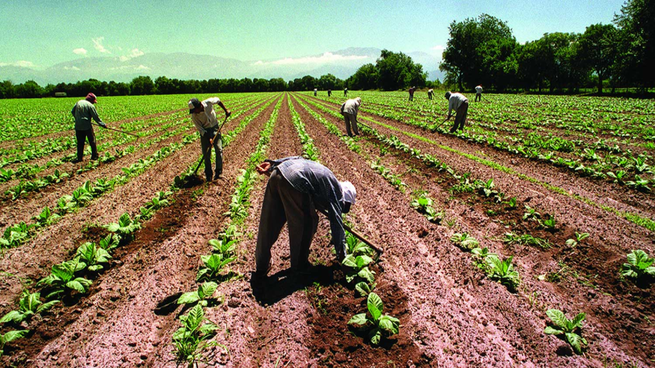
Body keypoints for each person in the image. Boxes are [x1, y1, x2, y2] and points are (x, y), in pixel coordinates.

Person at [253, 156, 356, 277]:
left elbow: (297, 158)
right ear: (345, 199)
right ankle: (300, 265)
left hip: (277, 174)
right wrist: (342, 256)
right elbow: (337, 224)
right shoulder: (336, 191)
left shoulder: (325, 177)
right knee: (308, 222)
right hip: (295, 181)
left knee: (269, 222)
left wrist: (273, 165)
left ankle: (262, 265)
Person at [188, 97, 231, 181]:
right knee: (206, 154)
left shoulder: (208, 103)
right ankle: (208, 175)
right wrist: (209, 138)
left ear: (199, 105)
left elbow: (218, 100)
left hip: (215, 128)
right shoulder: (194, 116)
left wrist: (226, 110)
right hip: (205, 132)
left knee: (219, 149)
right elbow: (201, 129)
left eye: (195, 110)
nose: (194, 112)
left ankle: (218, 173)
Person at [71, 93, 106, 163]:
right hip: (87, 126)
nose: (94, 102)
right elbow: (96, 117)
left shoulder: (78, 102)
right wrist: (103, 124)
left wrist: (78, 119)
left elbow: (72, 112)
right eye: (94, 101)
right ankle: (94, 156)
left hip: (78, 126)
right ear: (91, 100)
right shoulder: (90, 106)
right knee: (92, 141)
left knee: (80, 142)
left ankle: (79, 157)